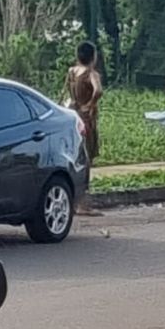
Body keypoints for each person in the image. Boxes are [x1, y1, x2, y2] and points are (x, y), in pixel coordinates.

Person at [66, 41, 103, 216]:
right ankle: (82, 204)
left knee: (76, 157)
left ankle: (73, 202)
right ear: (93, 57)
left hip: (73, 116)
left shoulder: (72, 72)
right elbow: (98, 91)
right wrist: (90, 104)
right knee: (87, 159)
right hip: (86, 119)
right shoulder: (91, 74)